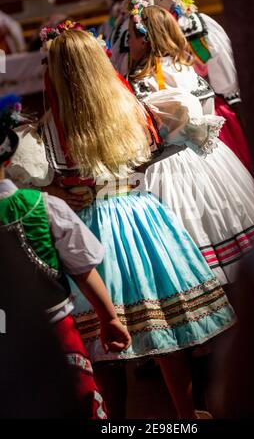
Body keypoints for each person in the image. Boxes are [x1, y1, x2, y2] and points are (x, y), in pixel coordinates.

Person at [38, 21, 235, 419]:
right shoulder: (133, 108)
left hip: (92, 226)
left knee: (105, 349)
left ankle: (116, 420)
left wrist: (64, 191)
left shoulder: (51, 128)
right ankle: (187, 414)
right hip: (142, 215)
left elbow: (46, 182)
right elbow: (153, 151)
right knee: (167, 329)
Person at [0, 94, 131, 419]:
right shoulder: (43, 206)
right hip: (55, 335)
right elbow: (83, 267)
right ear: (9, 156)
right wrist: (108, 317)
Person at [127, 2, 254, 286]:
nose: (129, 43)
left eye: (131, 36)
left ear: (145, 38)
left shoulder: (140, 80)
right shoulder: (186, 68)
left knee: (189, 222)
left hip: (164, 165)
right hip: (210, 157)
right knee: (223, 213)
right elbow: (208, 112)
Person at [110, 0, 251, 171]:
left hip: (161, 128)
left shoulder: (124, 32)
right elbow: (226, 82)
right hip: (204, 112)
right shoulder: (197, 23)